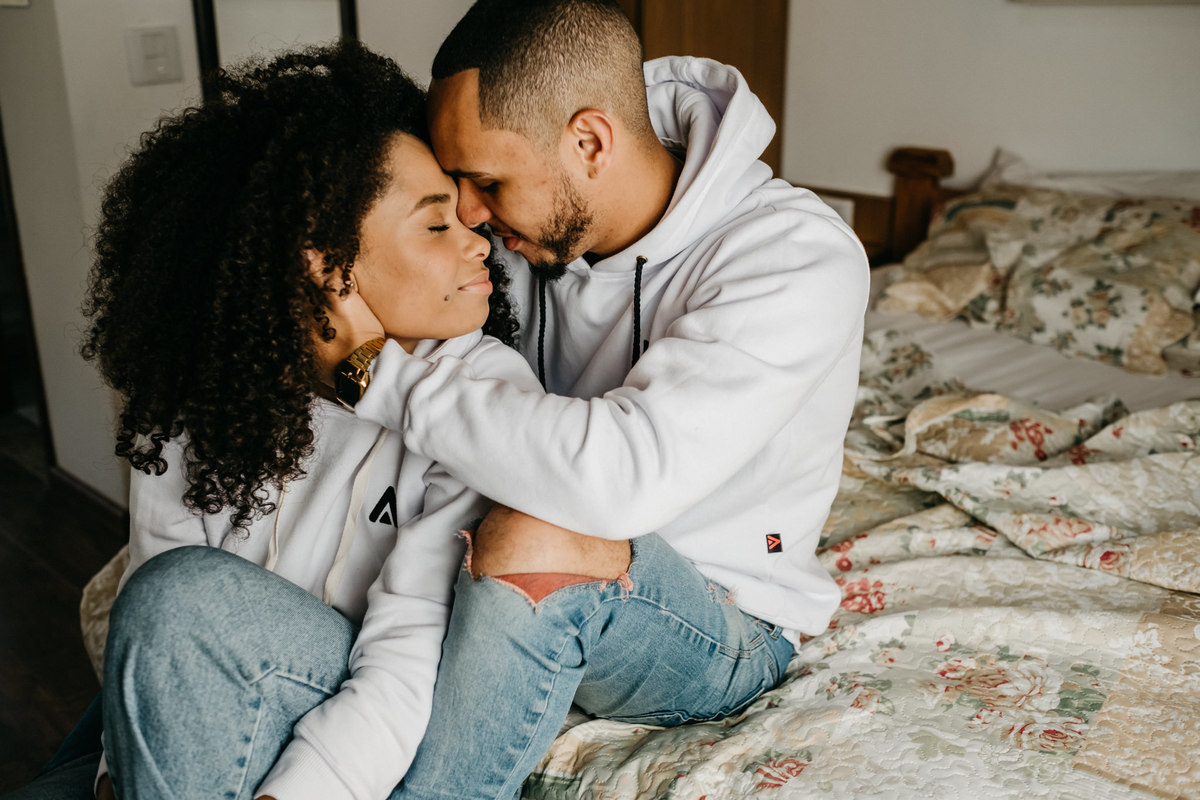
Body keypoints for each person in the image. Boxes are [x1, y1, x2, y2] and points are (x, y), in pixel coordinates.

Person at [316, 1, 871, 797]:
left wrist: (379, 377)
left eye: (487, 181)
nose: (471, 215)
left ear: (589, 141)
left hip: (722, 618)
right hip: (497, 553)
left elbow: (620, 482)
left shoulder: (793, 254)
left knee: (529, 539)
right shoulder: (526, 235)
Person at [7, 40, 542, 800]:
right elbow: (158, 648)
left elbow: (407, 659)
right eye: (434, 227)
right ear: (327, 267)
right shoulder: (195, 402)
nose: (476, 242)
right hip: (204, 710)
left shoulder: (478, 396)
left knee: (174, 592)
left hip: (349, 716)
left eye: (463, 219)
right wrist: (113, 776)